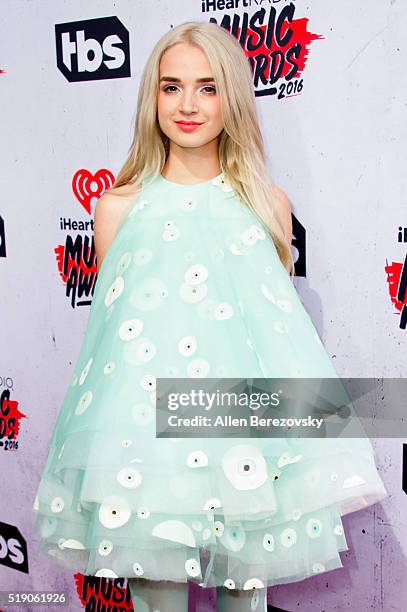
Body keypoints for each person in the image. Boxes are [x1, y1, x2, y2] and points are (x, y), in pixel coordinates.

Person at [32, 21, 388, 612]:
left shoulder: (267, 205)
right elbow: (111, 346)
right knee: (155, 596)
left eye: (208, 87)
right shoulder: (118, 208)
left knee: (244, 598)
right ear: (152, 97)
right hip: (145, 441)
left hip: (245, 437)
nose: (189, 106)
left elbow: (272, 335)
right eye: (172, 87)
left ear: (233, 98)